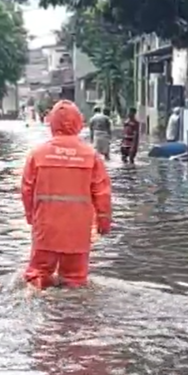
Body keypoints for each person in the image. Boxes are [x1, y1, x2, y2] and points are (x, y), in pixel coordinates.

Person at [21, 100, 112, 289]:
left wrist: (31, 218)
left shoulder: (38, 154)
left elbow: (26, 190)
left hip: (46, 229)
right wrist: (103, 222)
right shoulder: (91, 156)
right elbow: (102, 193)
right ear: (79, 122)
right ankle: (71, 315)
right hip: (77, 232)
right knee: (75, 280)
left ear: (51, 123)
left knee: (37, 277)